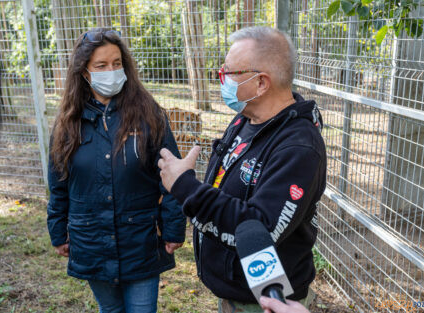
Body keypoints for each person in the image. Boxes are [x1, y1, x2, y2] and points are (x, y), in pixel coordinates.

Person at [158, 26, 326, 313]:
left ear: (261, 83)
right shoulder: (244, 120)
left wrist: (186, 187)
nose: (220, 79)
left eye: (228, 73)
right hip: (235, 293)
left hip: (267, 304)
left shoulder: (298, 147)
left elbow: (259, 229)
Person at [47, 28, 186, 313]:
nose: (110, 71)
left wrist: (173, 228)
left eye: (116, 63)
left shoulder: (150, 114)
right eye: (101, 66)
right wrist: (58, 231)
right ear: (84, 72)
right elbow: (59, 183)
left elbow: (172, 175)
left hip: (141, 242)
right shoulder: (67, 123)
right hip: (90, 241)